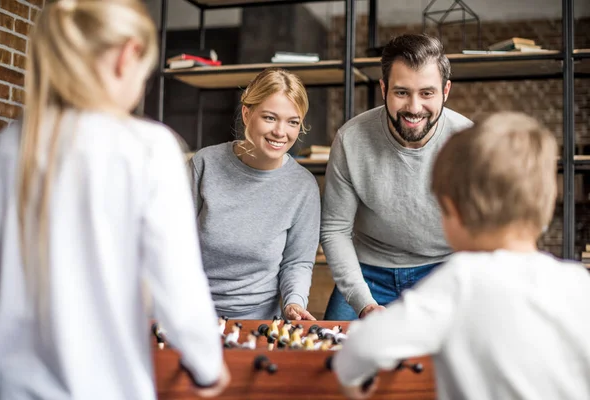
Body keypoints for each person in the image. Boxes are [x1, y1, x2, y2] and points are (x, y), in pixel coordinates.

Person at [0, 0, 229, 398]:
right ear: (127, 55)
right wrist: (207, 367)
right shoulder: (149, 148)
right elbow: (180, 286)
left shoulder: (7, 149)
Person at [332, 112, 590, 400]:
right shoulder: (578, 283)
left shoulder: (461, 281)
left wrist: (352, 378)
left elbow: (364, 347)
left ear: (453, 211)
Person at [321, 33, 473, 321]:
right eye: (401, 92)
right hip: (368, 274)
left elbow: (481, 232)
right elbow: (335, 229)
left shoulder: (468, 141)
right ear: (383, 88)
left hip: (443, 269)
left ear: (446, 90)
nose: (414, 108)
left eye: (427, 93)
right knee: (332, 356)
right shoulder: (351, 140)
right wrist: (362, 301)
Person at [190, 68, 320, 321]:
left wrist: (294, 302)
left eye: (293, 122)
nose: (281, 132)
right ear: (247, 113)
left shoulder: (303, 186)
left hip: (260, 320)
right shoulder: (204, 164)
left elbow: (298, 262)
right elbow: (172, 242)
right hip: (191, 311)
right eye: (270, 118)